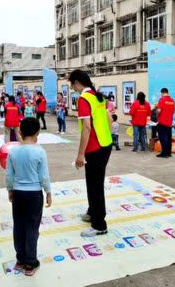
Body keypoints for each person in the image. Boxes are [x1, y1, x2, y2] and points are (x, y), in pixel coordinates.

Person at [6, 118, 52, 276]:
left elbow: (9, 175)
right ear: (37, 133)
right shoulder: (39, 151)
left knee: (18, 226)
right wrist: (48, 192)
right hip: (34, 195)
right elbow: (44, 176)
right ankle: (30, 263)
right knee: (32, 227)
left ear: (20, 132)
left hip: (18, 194)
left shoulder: (13, 151)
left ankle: (20, 260)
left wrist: (10, 190)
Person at [69, 69, 112, 237]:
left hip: (95, 147)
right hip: (105, 143)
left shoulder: (84, 99)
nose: (73, 88)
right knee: (93, 182)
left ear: (77, 83)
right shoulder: (97, 96)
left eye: (72, 85)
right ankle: (92, 212)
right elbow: (108, 118)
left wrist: (80, 155)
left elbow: (87, 127)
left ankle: (99, 224)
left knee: (95, 185)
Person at [156, 88, 175, 158]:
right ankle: (169, 153)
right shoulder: (172, 101)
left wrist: (156, 115)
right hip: (169, 122)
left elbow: (159, 110)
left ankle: (164, 153)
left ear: (162, 93)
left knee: (162, 138)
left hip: (162, 122)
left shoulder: (162, 99)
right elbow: (173, 111)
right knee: (168, 138)